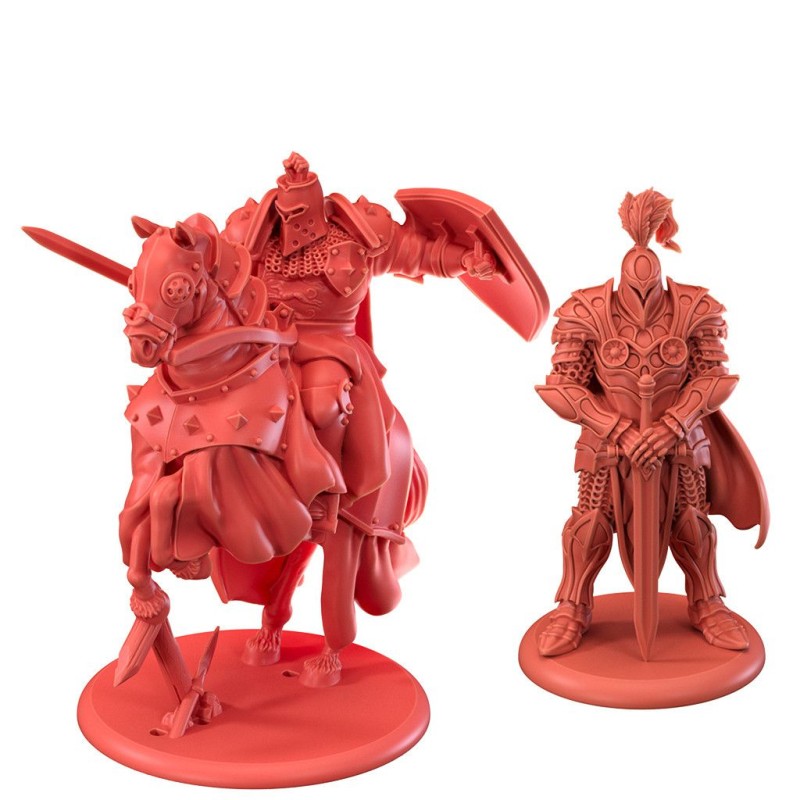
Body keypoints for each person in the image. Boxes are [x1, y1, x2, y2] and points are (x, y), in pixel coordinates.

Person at [535, 188, 768, 657]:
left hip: (679, 441)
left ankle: (706, 601)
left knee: (692, 520)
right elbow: (562, 387)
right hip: (607, 441)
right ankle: (574, 605)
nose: (642, 302)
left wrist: (673, 424)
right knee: (590, 523)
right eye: (633, 291)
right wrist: (616, 428)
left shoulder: (695, 308)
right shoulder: (587, 310)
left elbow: (714, 378)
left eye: (650, 291)